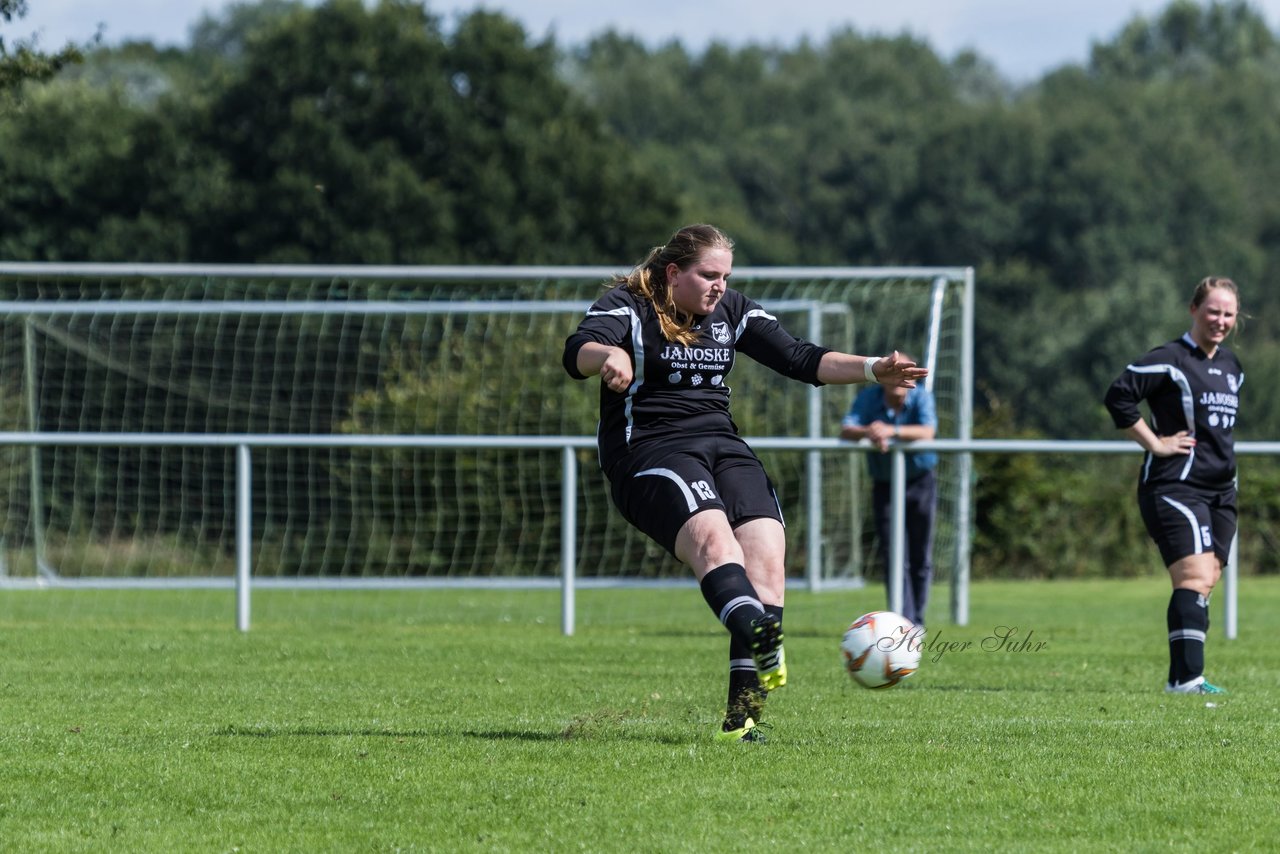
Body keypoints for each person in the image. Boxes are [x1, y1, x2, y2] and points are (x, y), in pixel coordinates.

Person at [563, 224, 927, 742]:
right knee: (713, 540)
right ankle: (757, 630)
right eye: (708, 275)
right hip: (649, 450)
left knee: (766, 551)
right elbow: (578, 349)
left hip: (721, 443)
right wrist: (609, 356)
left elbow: (801, 358)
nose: (719, 285)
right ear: (673, 273)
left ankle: (742, 718)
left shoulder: (732, 309)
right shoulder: (629, 304)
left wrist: (874, 369)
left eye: (725, 276)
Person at [1103, 276, 1243, 695]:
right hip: (1175, 486)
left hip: (1222, 490)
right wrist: (1155, 443)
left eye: (1229, 314)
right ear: (1194, 310)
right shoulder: (1169, 358)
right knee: (1195, 576)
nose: (1220, 320)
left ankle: (1183, 676)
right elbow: (1119, 395)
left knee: (1208, 576)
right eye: (1213, 311)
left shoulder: (1233, 366)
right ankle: (1186, 681)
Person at [839, 364, 938, 629]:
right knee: (894, 555)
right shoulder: (868, 398)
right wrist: (870, 431)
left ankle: (916, 622)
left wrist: (891, 431)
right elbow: (847, 429)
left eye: (905, 374)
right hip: (885, 484)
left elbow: (928, 432)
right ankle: (904, 622)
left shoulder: (922, 397)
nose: (899, 380)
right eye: (894, 373)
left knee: (920, 555)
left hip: (920, 482)